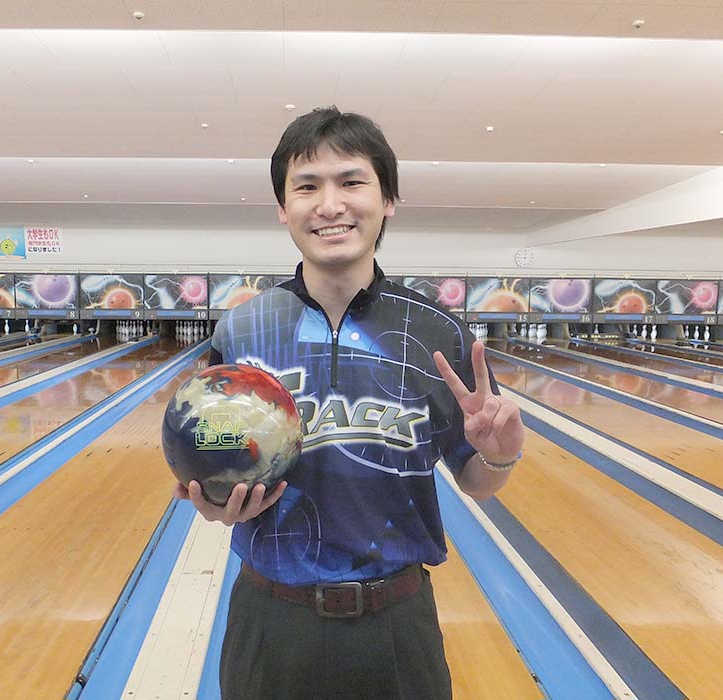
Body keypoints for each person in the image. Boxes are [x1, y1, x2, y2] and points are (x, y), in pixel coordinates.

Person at [173, 106, 525, 699]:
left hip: (396, 626)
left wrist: (498, 455)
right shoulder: (243, 330)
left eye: (351, 181)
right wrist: (214, 505)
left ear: (387, 200)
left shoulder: (437, 332)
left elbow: (477, 481)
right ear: (283, 208)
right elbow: (207, 472)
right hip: (270, 621)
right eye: (307, 186)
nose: (330, 204)